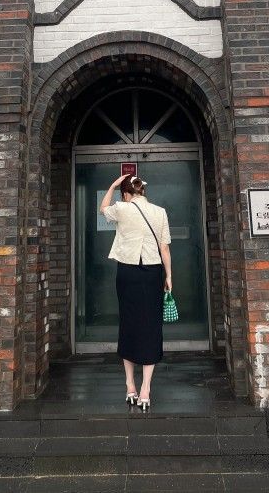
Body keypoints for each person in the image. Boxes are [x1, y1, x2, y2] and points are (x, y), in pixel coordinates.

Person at [99, 173, 172, 411]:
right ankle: (145, 390)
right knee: (151, 326)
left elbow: (103, 209)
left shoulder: (122, 207)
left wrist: (112, 185)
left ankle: (129, 384)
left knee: (129, 324)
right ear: (144, 191)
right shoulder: (159, 212)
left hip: (127, 272)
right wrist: (169, 276)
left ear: (126, 193)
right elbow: (164, 248)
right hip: (152, 273)